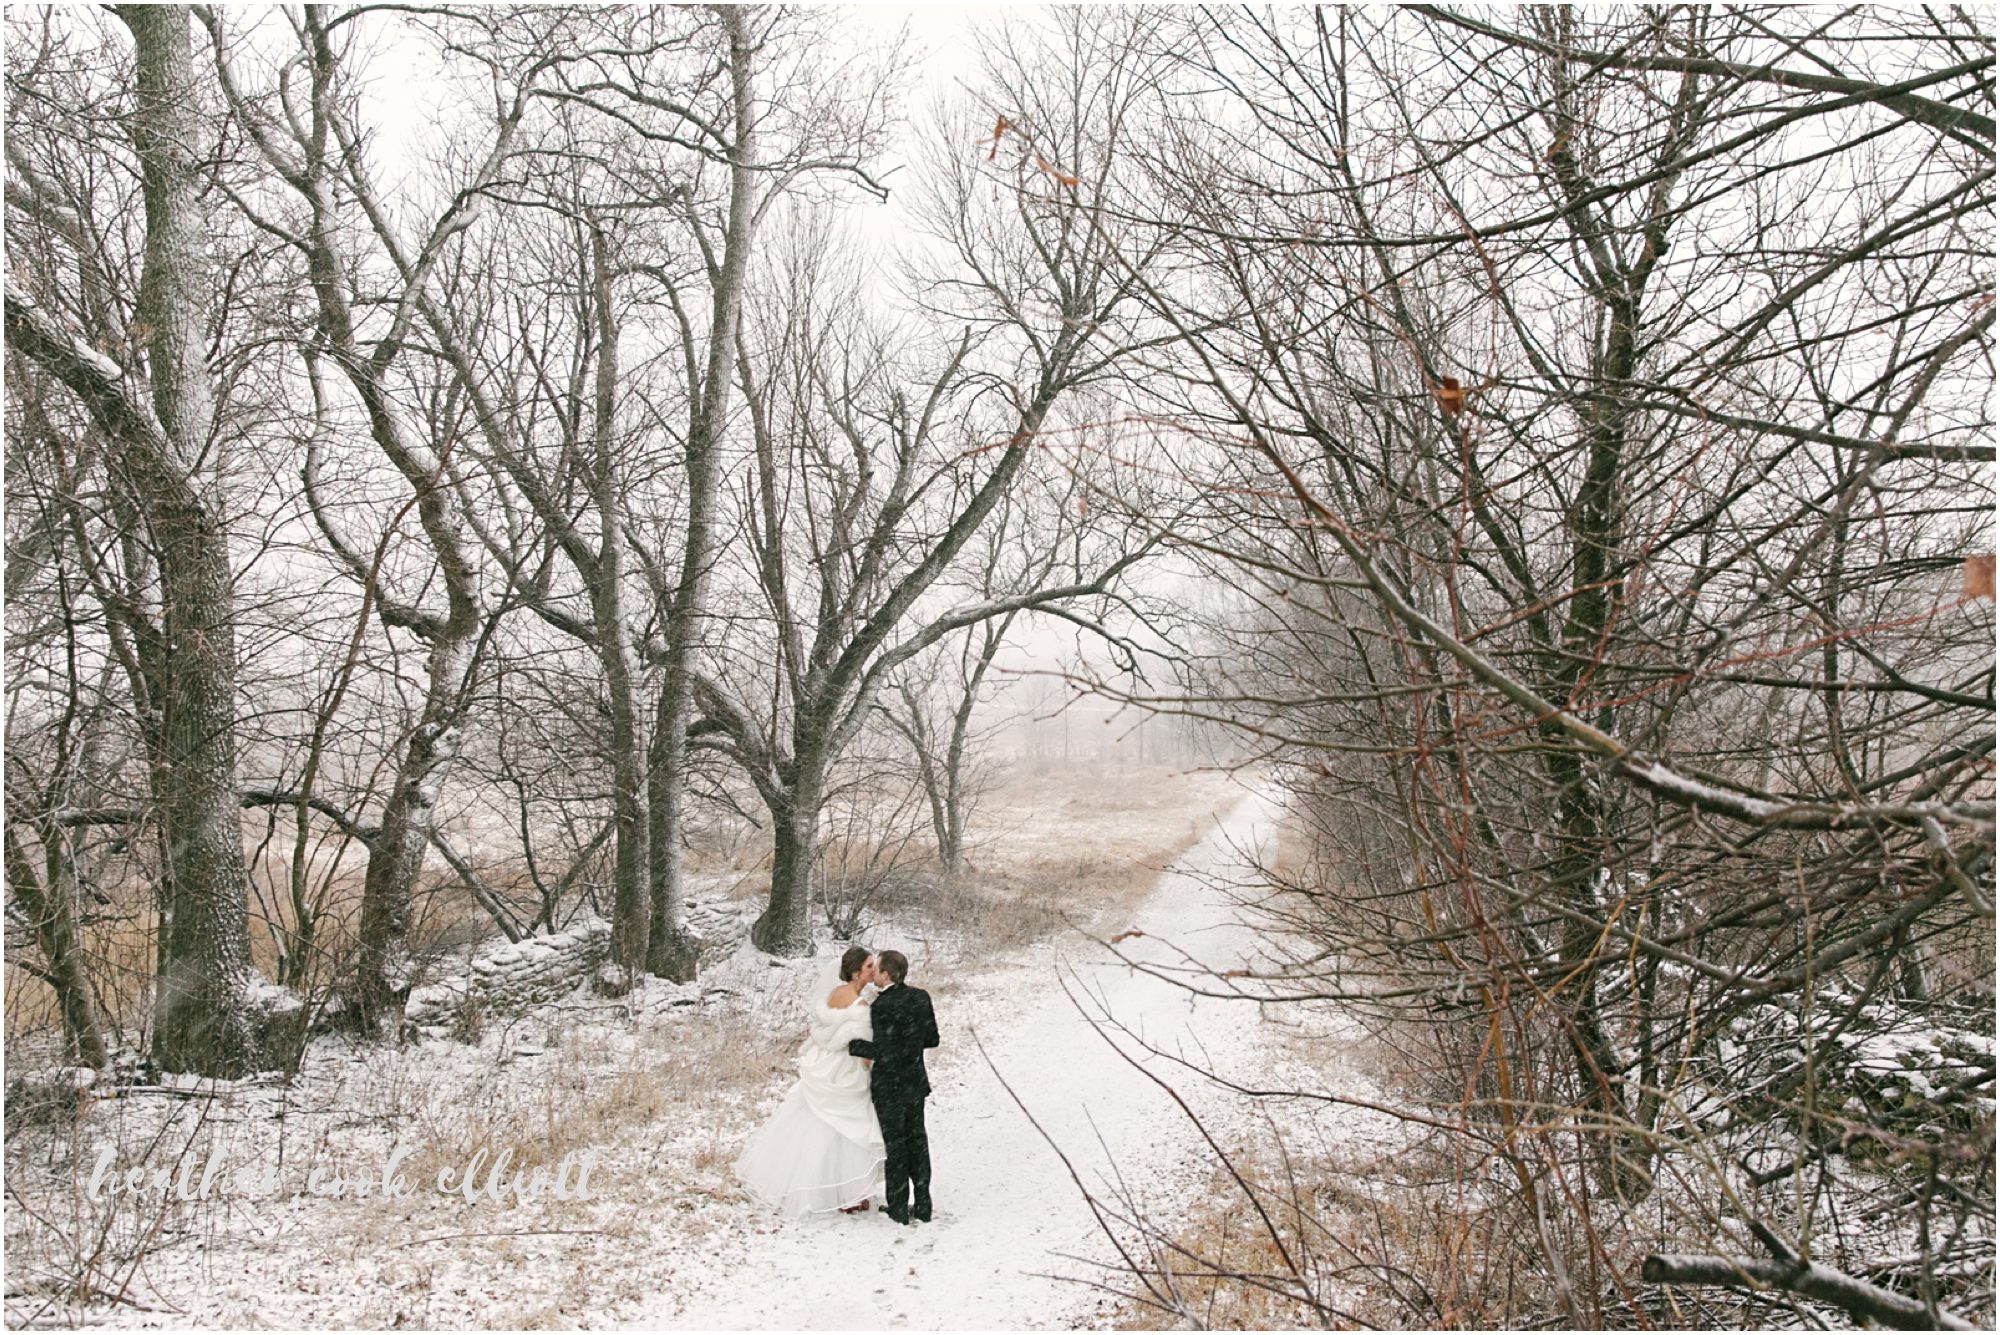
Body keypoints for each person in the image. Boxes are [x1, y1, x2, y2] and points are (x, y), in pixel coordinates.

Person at [733, 946, 886, 1216]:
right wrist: (871, 1068)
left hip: (825, 1059)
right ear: (855, 973)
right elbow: (862, 1044)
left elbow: (824, 1029)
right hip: (846, 1067)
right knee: (847, 1127)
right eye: (869, 966)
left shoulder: (833, 995)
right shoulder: (860, 1005)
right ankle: (846, 1191)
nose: (874, 970)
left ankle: (815, 1184)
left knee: (817, 1123)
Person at [846, 949, 939, 1224]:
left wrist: (855, 1046)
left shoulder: (881, 1006)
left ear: (886, 974)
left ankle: (898, 1206)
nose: (873, 972)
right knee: (918, 1141)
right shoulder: (921, 997)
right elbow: (932, 1039)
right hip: (915, 1081)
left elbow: (885, 1051)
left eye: (877, 968)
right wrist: (911, 1043)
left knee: (895, 1146)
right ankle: (923, 1202)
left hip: (890, 1085)